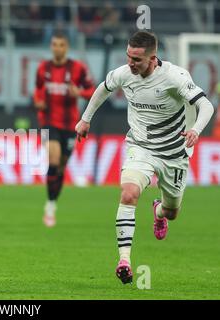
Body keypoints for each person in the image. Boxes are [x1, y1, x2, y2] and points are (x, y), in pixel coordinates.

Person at [75, 31, 214, 284]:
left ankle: (158, 212)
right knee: (128, 193)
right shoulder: (124, 73)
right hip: (141, 146)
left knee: (172, 211)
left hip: (174, 153)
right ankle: (124, 260)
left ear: (153, 59)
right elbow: (103, 88)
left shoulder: (175, 77)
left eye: (137, 59)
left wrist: (195, 130)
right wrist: (86, 119)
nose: (130, 63)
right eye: (129, 56)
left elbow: (206, 105)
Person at [34, 32, 96, 227]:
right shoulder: (43, 68)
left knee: (61, 166)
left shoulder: (78, 68)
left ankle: (52, 202)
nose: (57, 48)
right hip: (49, 122)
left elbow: (93, 91)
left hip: (70, 125)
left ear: (66, 47)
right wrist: (38, 102)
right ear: (51, 46)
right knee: (53, 161)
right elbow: (37, 89)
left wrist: (80, 92)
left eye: (61, 45)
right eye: (54, 44)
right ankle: (50, 206)